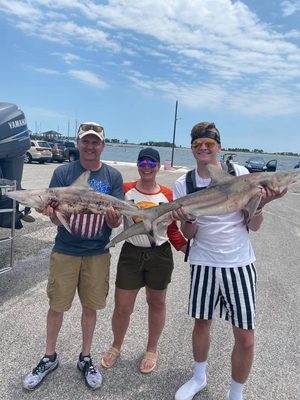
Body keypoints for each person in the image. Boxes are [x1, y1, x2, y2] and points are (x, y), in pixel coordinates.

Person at [172, 122, 287, 400]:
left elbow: (254, 225)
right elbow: (188, 234)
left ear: (218, 147)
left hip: (239, 262)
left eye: (209, 144)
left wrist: (261, 204)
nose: (203, 147)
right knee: (201, 324)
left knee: (246, 337)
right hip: (203, 262)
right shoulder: (183, 184)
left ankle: (236, 394)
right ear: (192, 148)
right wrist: (188, 218)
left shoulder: (241, 175)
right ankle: (199, 377)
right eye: (197, 143)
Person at [22, 122, 123, 391]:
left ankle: (85, 357)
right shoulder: (63, 172)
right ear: (78, 143)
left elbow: (114, 224)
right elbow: (57, 219)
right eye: (85, 141)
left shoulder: (113, 177)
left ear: (102, 145)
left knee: (91, 307)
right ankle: (49, 356)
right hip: (65, 250)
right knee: (57, 305)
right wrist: (50, 213)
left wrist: (114, 219)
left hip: (97, 252)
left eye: (95, 142)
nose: (90, 146)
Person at [101, 148, 187, 374]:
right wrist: (111, 221)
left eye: (151, 164)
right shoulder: (125, 189)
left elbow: (172, 229)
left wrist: (186, 248)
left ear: (158, 167)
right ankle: (116, 345)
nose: (146, 167)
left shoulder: (167, 194)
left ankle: (151, 348)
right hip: (131, 253)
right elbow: (114, 219)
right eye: (143, 162)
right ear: (138, 165)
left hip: (159, 254)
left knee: (156, 303)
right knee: (122, 308)